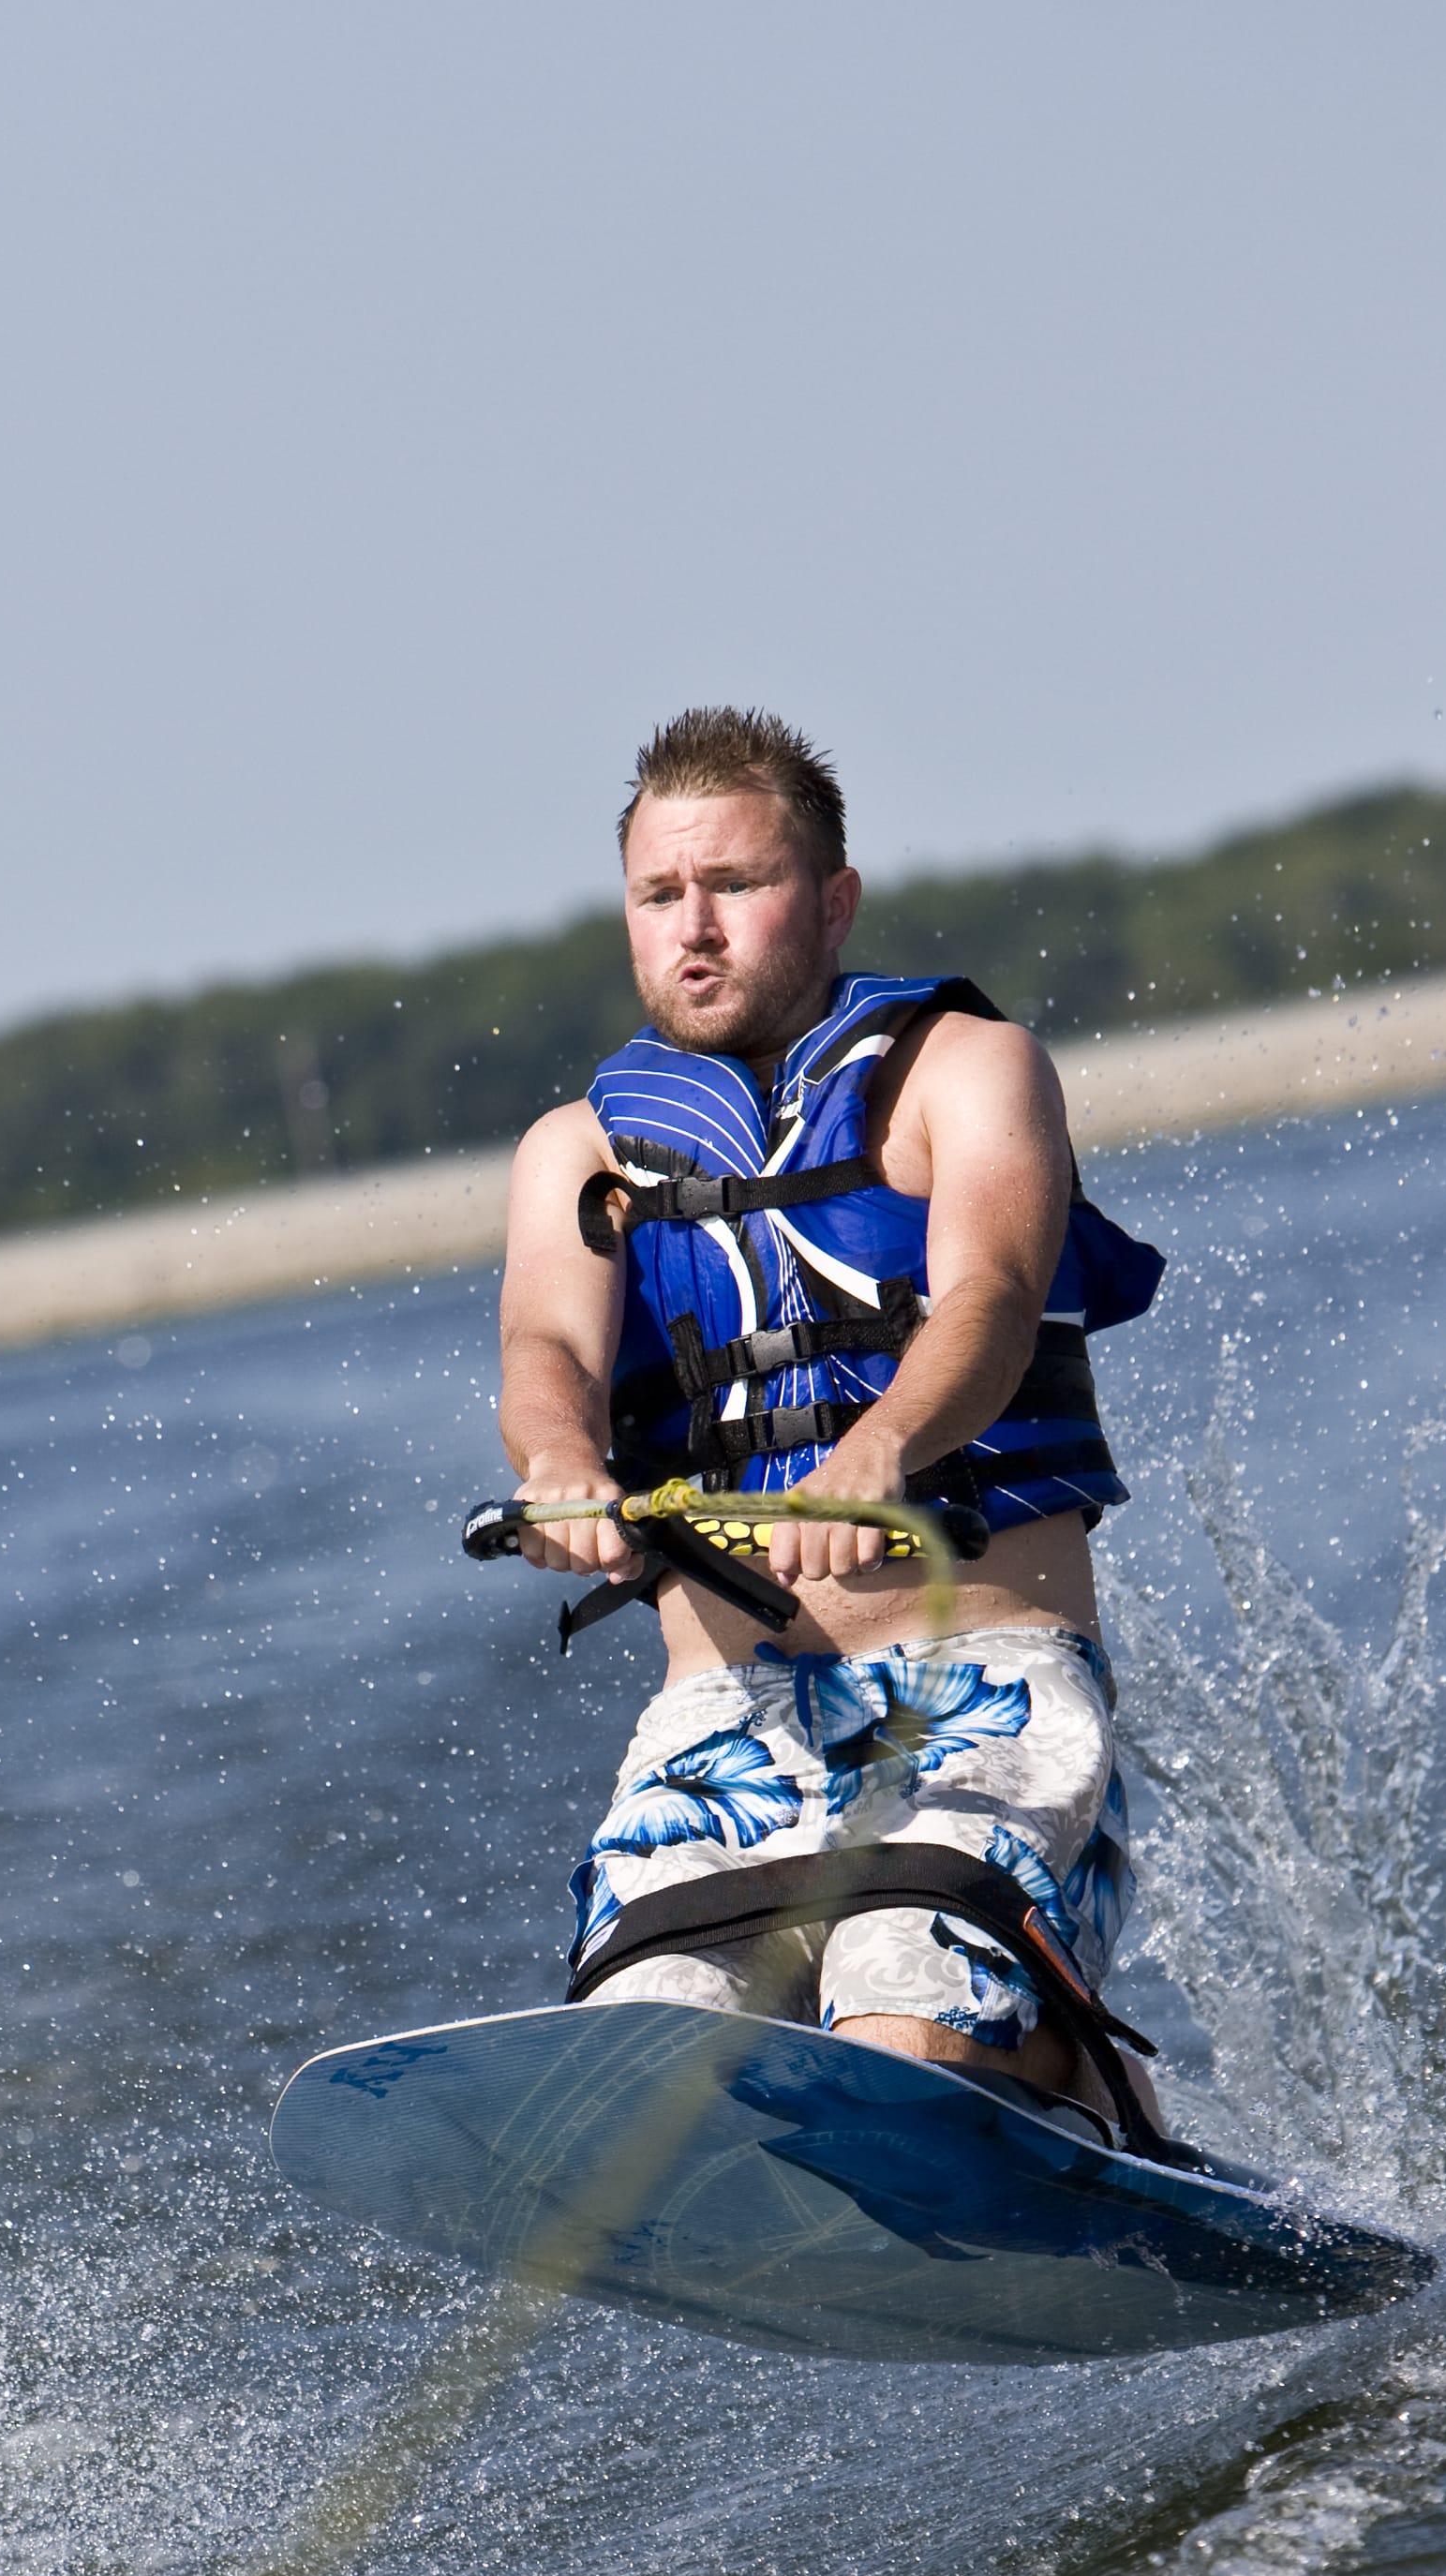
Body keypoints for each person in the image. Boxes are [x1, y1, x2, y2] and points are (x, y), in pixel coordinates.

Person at [496, 707, 1171, 2145]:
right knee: (642, 2071)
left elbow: (987, 1292)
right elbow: (546, 1342)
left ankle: (1073, 2081)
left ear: (833, 897)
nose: (695, 927)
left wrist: (874, 1455)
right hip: (724, 1725)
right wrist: (559, 1466)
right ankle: (970, 2070)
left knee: (892, 2012)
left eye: (734, 886)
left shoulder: (965, 1071)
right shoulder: (583, 1150)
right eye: (659, 895)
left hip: (968, 1693)